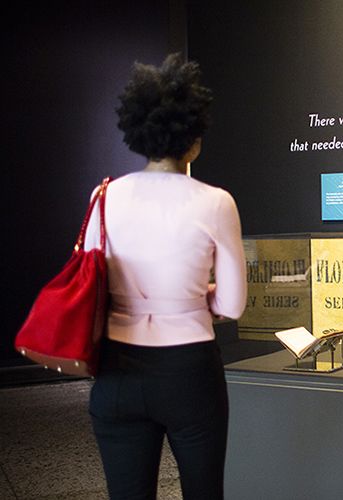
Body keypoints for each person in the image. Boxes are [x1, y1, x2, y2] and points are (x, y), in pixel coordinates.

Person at [85, 53, 247, 500]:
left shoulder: (105, 196)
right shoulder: (216, 202)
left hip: (116, 370)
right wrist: (198, 297)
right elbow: (232, 305)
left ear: (139, 131)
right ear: (193, 140)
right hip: (189, 372)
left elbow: (95, 283)